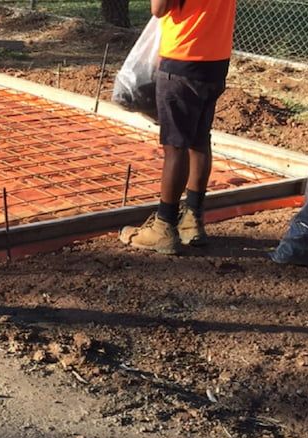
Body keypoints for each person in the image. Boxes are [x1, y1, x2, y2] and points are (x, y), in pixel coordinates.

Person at [119, 0, 237, 254]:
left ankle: (164, 226)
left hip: (183, 58)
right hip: (216, 60)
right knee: (199, 140)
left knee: (175, 146)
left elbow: (158, 9)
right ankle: (192, 220)